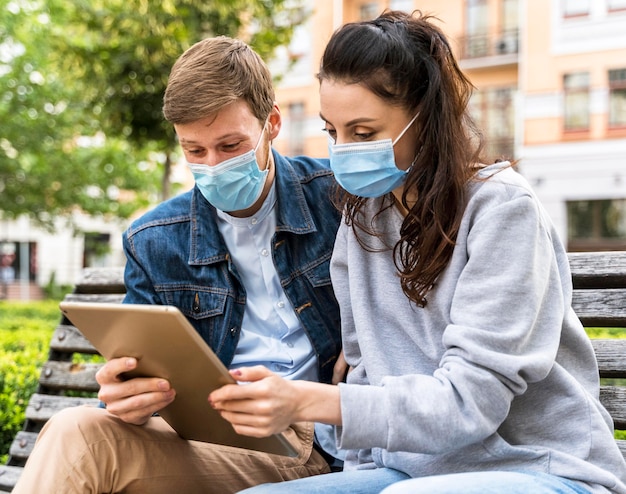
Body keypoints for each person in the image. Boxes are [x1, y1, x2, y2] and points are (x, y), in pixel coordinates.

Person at [207, 11, 626, 494]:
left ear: (424, 119)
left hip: (542, 470)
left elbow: (471, 401)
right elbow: (364, 373)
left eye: (363, 133)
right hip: (412, 474)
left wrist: (306, 401)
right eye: (332, 131)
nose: (342, 150)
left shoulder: (502, 209)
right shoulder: (361, 217)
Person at [12, 36, 345, 494]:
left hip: (309, 440)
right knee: (77, 431)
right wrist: (128, 397)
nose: (213, 165)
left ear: (272, 123)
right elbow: (139, 378)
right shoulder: (153, 240)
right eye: (194, 151)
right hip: (206, 438)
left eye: (230, 145)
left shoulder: (339, 199)